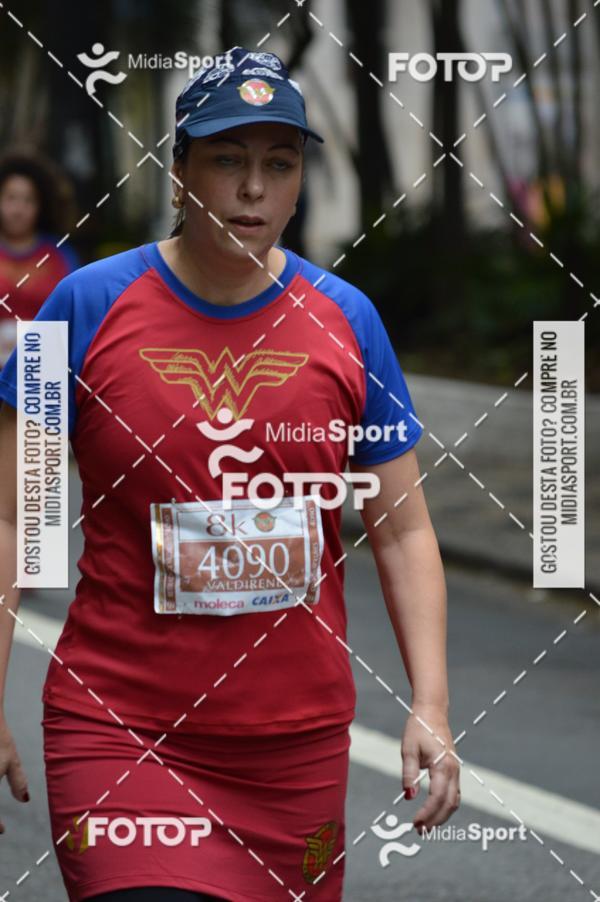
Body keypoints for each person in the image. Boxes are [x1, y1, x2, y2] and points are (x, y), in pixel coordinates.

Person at [0, 47, 459, 901]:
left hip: (295, 752)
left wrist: (430, 704)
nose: (253, 188)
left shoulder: (347, 321)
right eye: (226, 159)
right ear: (177, 172)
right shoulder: (80, 308)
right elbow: (9, 518)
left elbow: (401, 529)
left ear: (296, 184)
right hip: (122, 731)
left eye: (278, 165)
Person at [0, 151, 80, 368]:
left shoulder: (59, 255)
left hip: (44, 376)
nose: (18, 210)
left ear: (40, 206)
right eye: (11, 198)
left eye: (28, 200)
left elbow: (76, 314)